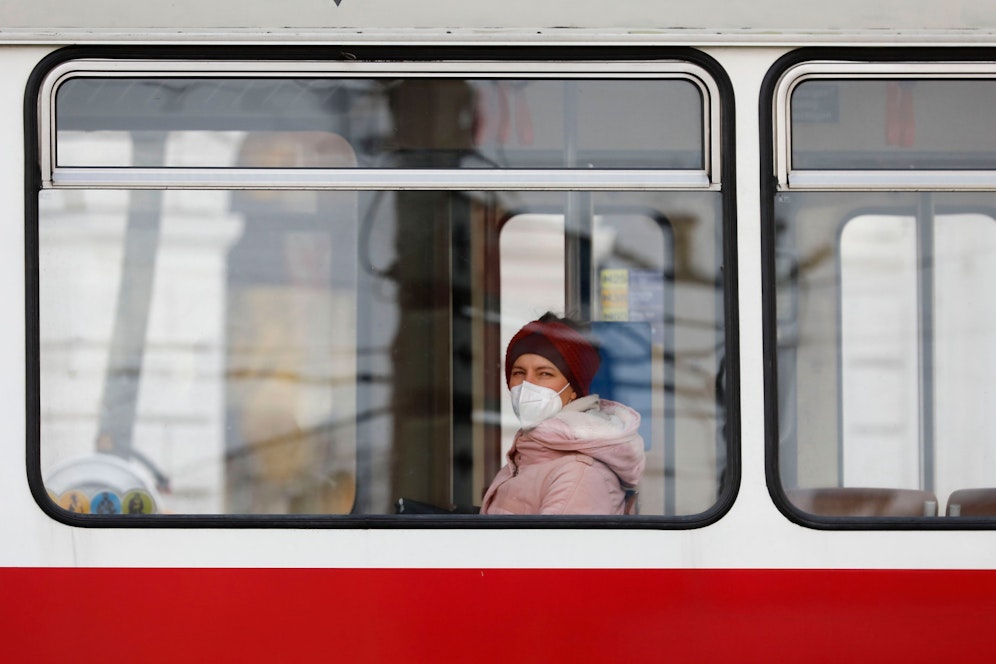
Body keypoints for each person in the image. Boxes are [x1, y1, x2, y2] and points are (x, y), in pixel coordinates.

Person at [481, 313, 645, 515]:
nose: (527, 384)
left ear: (574, 388)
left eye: (544, 374)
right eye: (518, 373)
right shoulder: (531, 452)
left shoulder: (580, 473)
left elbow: (556, 546)